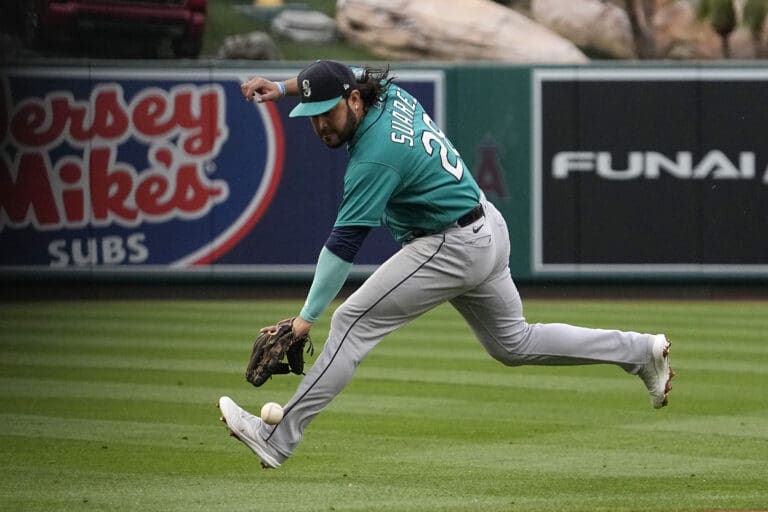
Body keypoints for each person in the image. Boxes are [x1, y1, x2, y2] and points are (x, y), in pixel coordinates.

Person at [218, 60, 674, 469]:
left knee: (350, 322)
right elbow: (342, 72)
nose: (321, 126)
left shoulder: (375, 156)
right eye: (313, 117)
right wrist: (284, 88)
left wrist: (304, 321)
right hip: (485, 225)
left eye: (328, 113)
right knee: (513, 343)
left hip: (448, 243)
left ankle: (276, 439)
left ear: (354, 100)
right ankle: (639, 351)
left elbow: (343, 246)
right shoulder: (389, 94)